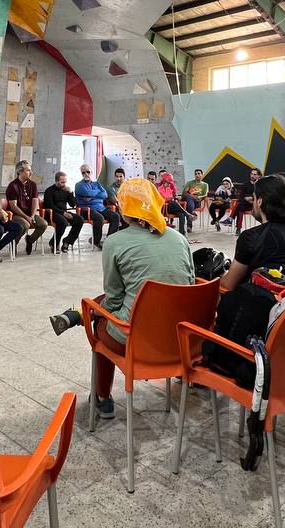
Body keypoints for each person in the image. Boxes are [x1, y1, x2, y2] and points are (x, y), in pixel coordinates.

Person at [45, 179, 193, 418]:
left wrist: (97, 310)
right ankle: (79, 314)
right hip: (183, 339)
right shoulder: (179, 238)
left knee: (100, 323)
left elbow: (114, 301)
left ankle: (102, 397)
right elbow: (189, 283)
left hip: (137, 340)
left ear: (124, 208)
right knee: (131, 294)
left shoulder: (115, 242)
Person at [219, 174, 285, 290]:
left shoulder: (250, 237)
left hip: (263, 299)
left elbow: (228, 285)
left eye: (254, 198)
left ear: (260, 201)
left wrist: (219, 275)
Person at [6, 160, 49, 255]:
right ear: (20, 172)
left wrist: (32, 216)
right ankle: (14, 242)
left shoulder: (32, 184)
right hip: (16, 215)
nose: (31, 172)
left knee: (43, 224)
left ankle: (30, 240)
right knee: (25, 225)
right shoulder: (12, 186)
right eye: (28, 170)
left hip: (30, 214)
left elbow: (35, 201)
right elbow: (13, 206)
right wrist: (27, 217)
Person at [75, 164, 122, 248]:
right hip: (87, 210)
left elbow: (105, 194)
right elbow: (87, 193)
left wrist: (92, 195)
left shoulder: (97, 184)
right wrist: (97, 192)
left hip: (101, 208)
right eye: (83, 172)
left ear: (91, 172)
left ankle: (109, 240)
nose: (86, 174)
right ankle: (96, 241)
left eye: (88, 172)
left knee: (116, 216)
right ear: (81, 174)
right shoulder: (79, 185)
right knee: (99, 218)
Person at [43, 171, 85, 253]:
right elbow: (49, 205)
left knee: (79, 220)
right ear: (56, 181)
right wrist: (63, 213)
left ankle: (67, 241)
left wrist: (71, 192)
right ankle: (55, 243)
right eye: (62, 182)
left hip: (63, 213)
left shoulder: (66, 190)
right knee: (63, 222)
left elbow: (72, 204)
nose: (64, 184)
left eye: (65, 182)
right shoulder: (49, 191)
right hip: (52, 213)